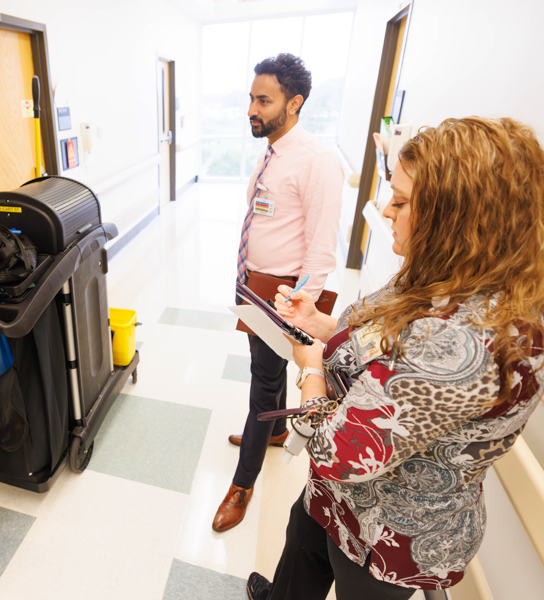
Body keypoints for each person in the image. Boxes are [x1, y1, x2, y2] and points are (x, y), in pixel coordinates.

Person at [246, 117, 544, 599]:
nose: (387, 211)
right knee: (300, 550)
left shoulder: (463, 344)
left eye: (403, 201)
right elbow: (380, 346)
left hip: (384, 536)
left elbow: (337, 451)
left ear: (458, 217)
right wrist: (323, 326)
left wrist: (309, 366)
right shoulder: (439, 278)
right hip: (335, 499)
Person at [213, 53, 344, 532]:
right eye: (251, 97)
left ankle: (241, 484)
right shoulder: (273, 153)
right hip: (255, 284)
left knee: (263, 386)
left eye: (263, 100)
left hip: (284, 293)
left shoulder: (318, 161)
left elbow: (322, 253)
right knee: (262, 370)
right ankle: (275, 430)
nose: (252, 108)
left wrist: (298, 311)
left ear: (295, 103)